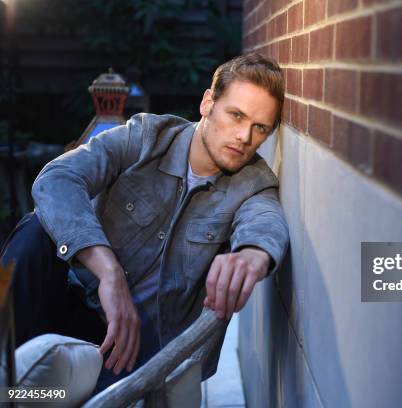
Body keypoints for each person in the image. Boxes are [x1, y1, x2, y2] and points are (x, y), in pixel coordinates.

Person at [0, 52, 289, 392]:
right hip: (65, 300)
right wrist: (109, 272)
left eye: (260, 128)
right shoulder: (147, 137)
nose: (244, 136)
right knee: (34, 233)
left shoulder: (253, 184)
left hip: (130, 352)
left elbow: (266, 221)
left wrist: (252, 256)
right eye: (236, 115)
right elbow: (57, 178)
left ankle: (21, 392)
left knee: (39, 391)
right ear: (208, 102)